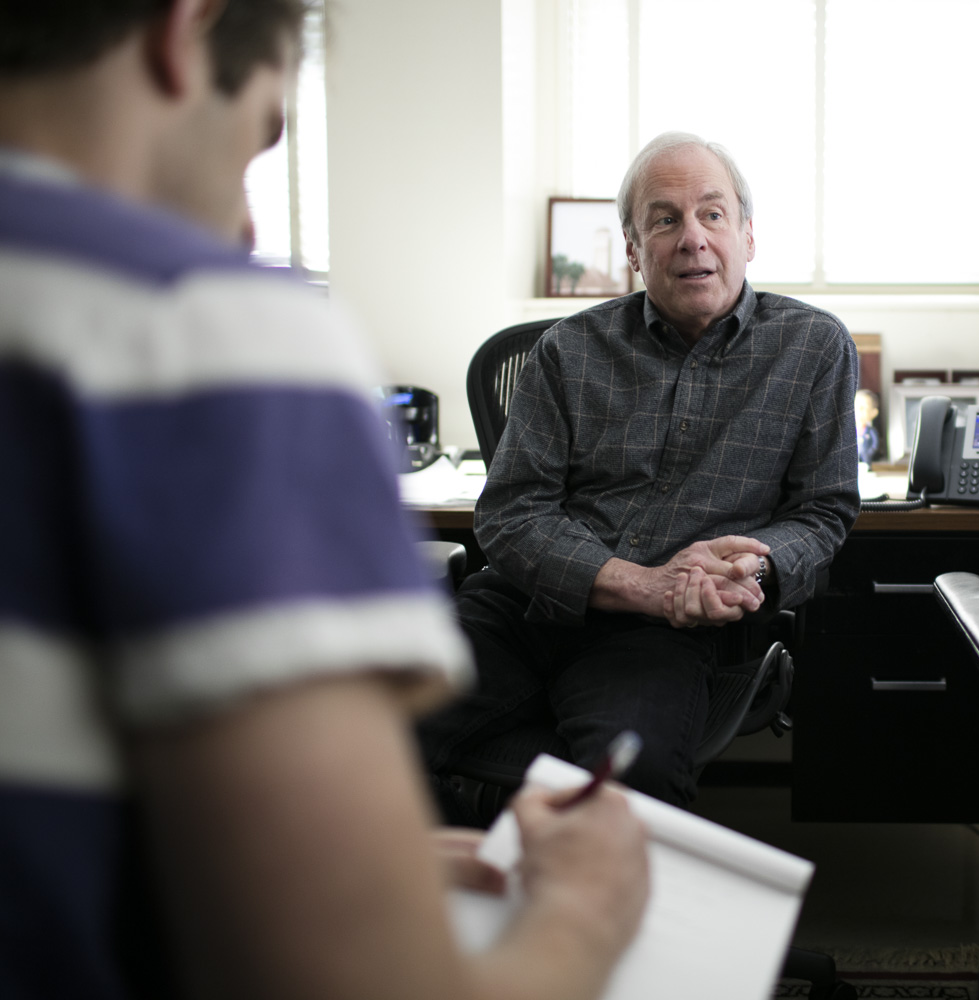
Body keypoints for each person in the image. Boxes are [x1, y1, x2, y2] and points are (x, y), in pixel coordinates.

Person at [0, 3, 648, 998]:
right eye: (262, 136)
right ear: (187, 30)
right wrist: (585, 907)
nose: (249, 226)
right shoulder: (200, 327)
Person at [420, 131, 860, 816]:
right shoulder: (566, 350)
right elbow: (511, 513)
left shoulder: (813, 348)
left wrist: (751, 568)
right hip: (528, 607)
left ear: (748, 234)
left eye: (712, 214)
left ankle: (591, 921)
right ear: (632, 250)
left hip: (669, 636)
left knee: (631, 779)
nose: (692, 238)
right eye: (664, 219)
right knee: (367, 735)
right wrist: (641, 584)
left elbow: (822, 512)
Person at [855, 388, 881, 465]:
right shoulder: (851, 430)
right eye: (855, 406)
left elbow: (875, 444)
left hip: (866, 457)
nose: (858, 410)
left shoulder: (871, 431)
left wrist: (869, 453)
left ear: (874, 413)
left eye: (863, 408)